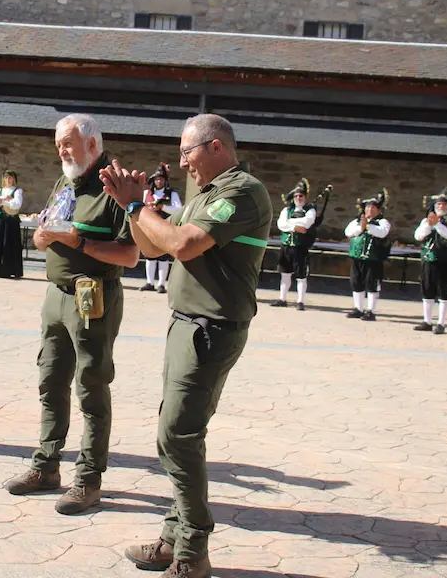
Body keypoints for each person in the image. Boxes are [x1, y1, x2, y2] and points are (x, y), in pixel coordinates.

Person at [99, 114, 271, 578]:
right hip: (185, 325)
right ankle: (174, 537)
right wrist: (128, 205)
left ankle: (193, 552)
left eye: (187, 152)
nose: (182, 162)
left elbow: (183, 244)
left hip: (212, 329)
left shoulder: (242, 191)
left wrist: (140, 209)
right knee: (172, 435)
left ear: (215, 147)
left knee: (178, 435)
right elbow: (152, 249)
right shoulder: (205, 193)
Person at [4, 114, 138, 515]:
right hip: (56, 296)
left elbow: (130, 255)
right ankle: (46, 466)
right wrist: (43, 236)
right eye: (58, 143)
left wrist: (78, 242)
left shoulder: (115, 186)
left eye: (68, 143)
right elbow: (44, 232)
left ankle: (88, 479)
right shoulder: (67, 180)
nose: (61, 150)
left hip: (92, 298)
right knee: (50, 381)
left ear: (93, 145)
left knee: (90, 388)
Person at [413, 185, 447, 334]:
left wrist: (437, 225)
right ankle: (427, 321)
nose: (441, 206)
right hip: (428, 260)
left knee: (444, 292)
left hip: (445, 261)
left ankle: (441, 323)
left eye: (444, 204)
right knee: (427, 289)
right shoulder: (426, 220)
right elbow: (418, 236)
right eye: (439, 204)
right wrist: (429, 224)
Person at [345, 189, 391, 321]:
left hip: (373, 259)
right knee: (356, 282)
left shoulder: (383, 222)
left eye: (373, 207)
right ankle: (358, 308)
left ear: (378, 210)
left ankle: (371, 311)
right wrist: (361, 227)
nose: (370, 210)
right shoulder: (356, 221)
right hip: (357, 257)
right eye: (368, 207)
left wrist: (368, 226)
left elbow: (382, 233)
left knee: (372, 284)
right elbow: (348, 232)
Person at [271, 178, 316, 310]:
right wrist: (295, 227)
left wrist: (289, 223)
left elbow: (307, 223)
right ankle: (282, 298)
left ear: (305, 196)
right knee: (285, 273)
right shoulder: (287, 210)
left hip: (300, 247)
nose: (298, 198)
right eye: (296, 196)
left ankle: (300, 301)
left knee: (301, 275)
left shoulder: (310, 210)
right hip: (286, 246)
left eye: (301, 195)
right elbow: (281, 224)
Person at [140, 162, 182, 294]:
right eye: (157, 179)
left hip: (165, 227)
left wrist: (162, 207)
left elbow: (178, 209)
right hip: (149, 227)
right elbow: (140, 207)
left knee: (163, 256)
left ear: (165, 180)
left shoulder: (172, 194)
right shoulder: (147, 193)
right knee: (149, 255)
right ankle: (150, 282)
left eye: (161, 179)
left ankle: (161, 284)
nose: (159, 181)